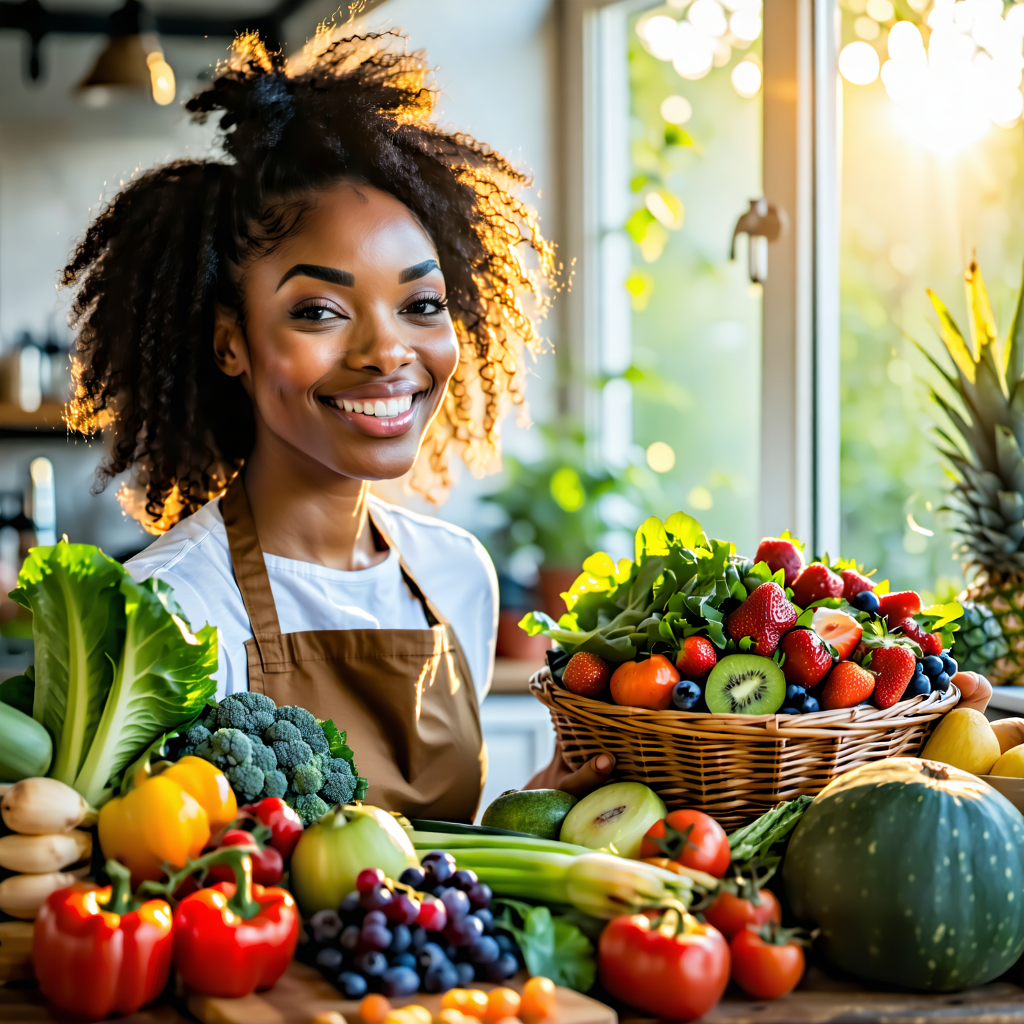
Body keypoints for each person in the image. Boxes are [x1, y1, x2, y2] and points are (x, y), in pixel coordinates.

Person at [59, 29, 586, 822]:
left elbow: (429, 861)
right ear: (232, 343)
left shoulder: (459, 578)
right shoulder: (170, 610)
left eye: (421, 305)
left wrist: (531, 817)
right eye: (319, 311)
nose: (387, 351)